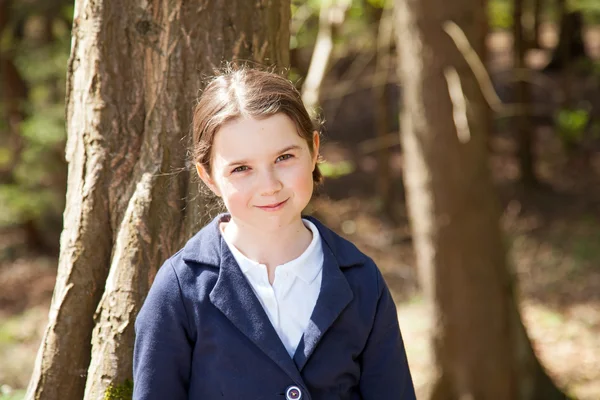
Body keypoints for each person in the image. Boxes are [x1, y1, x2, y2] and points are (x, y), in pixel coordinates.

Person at [133, 67, 415, 400]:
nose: (269, 186)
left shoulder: (361, 280)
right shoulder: (180, 289)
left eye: (284, 157)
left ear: (313, 149)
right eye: (241, 168)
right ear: (208, 176)